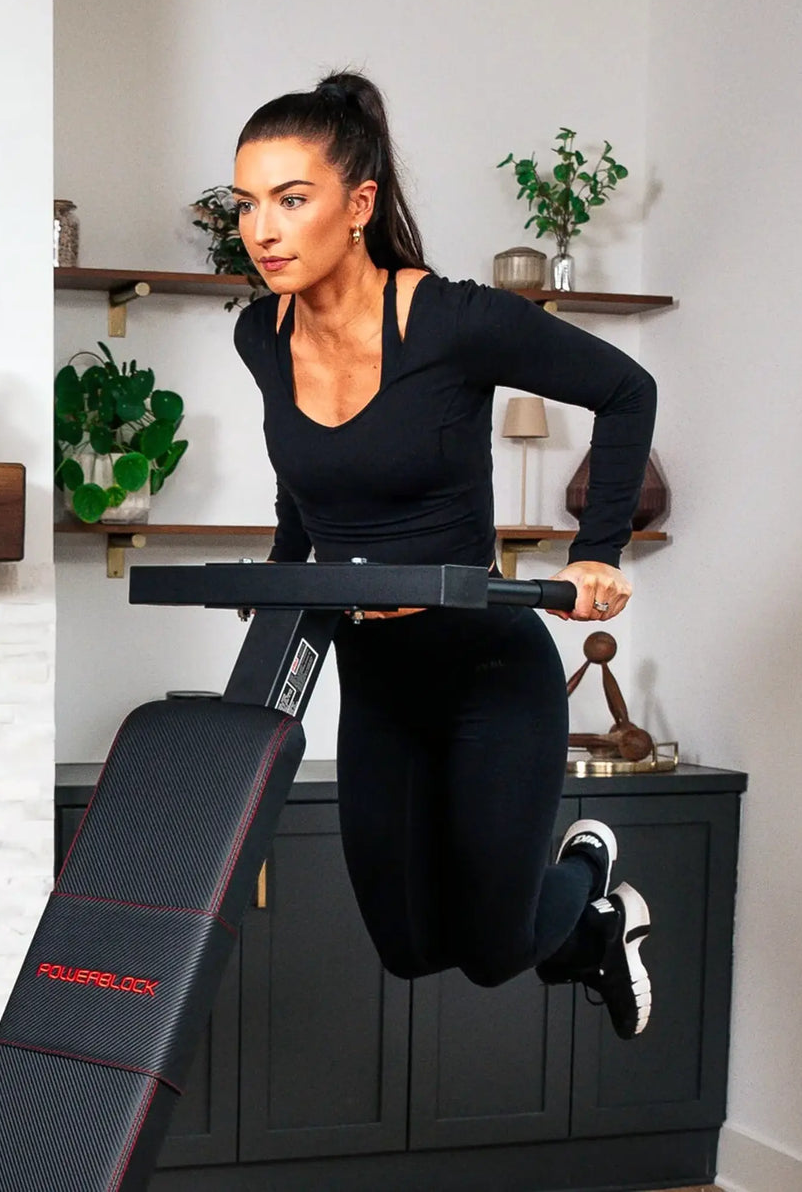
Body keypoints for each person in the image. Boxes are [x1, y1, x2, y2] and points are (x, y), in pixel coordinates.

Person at [230, 70, 656, 1040]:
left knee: (496, 945)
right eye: (247, 203)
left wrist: (595, 550)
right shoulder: (262, 334)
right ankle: (587, 920)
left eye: (291, 200)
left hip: (484, 668)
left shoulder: (451, 320)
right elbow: (305, 487)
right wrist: (272, 588)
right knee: (409, 944)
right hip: (374, 675)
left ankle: (592, 885)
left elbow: (626, 390)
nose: (263, 228)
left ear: (358, 205)